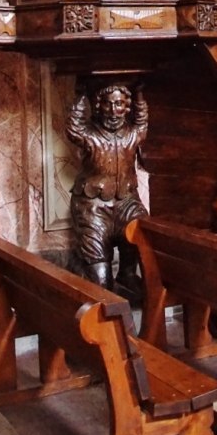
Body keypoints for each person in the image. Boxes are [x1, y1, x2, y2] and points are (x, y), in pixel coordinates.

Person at [65, 82, 148, 290]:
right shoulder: (91, 136)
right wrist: (80, 95)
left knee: (143, 230)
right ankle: (82, 266)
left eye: (119, 104)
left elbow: (142, 121)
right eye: (108, 105)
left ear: (126, 107)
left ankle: (127, 274)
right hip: (93, 207)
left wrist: (138, 93)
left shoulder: (132, 134)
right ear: (99, 106)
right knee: (102, 284)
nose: (114, 111)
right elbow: (74, 128)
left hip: (127, 203)